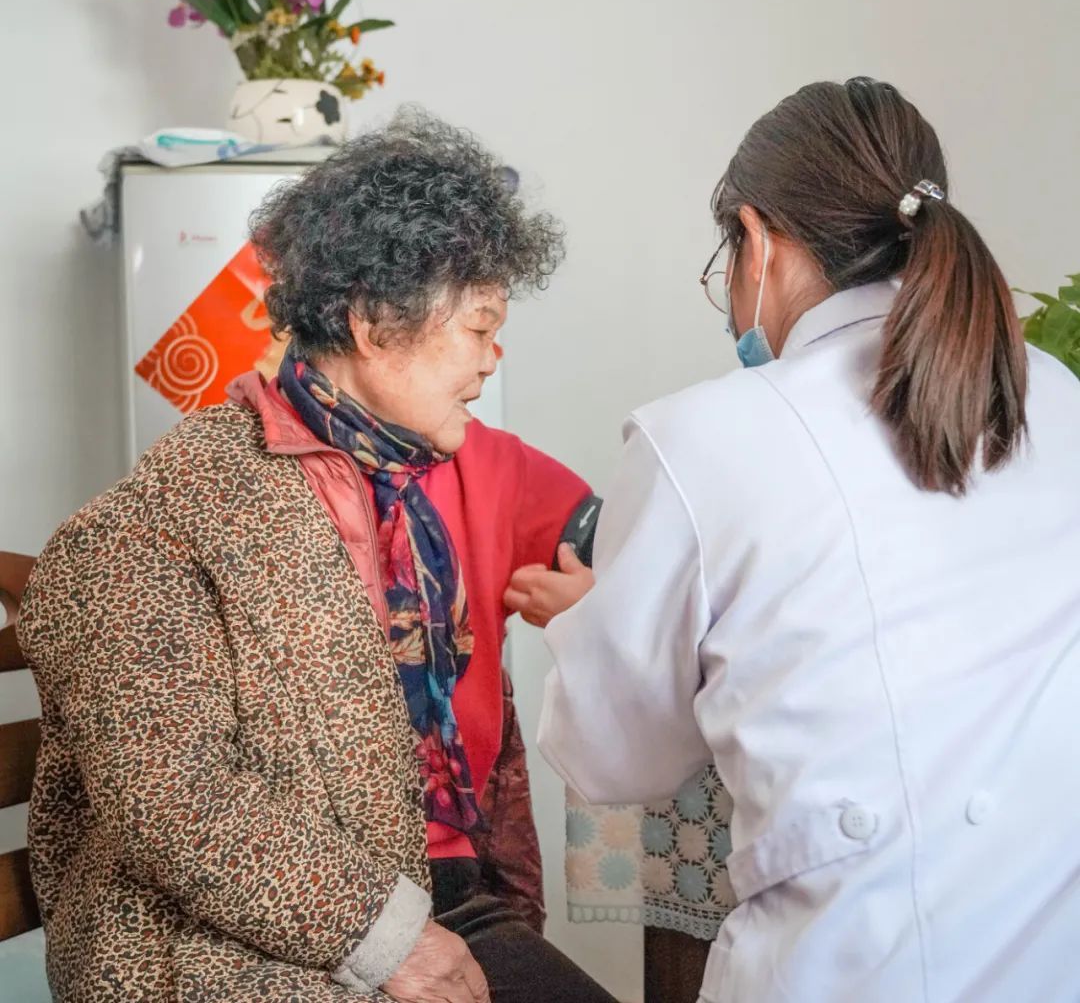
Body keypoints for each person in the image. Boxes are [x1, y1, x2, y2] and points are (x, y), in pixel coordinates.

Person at [19, 110, 616, 1003]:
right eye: (479, 327)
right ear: (373, 323)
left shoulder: (437, 474)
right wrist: (386, 940)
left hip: (440, 892)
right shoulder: (157, 523)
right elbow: (173, 798)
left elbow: (630, 538)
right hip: (225, 935)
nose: (495, 357)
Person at [515, 78, 1080, 1002]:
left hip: (848, 970)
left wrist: (589, 622)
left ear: (759, 240)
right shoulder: (1054, 394)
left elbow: (613, 758)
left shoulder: (699, 437)